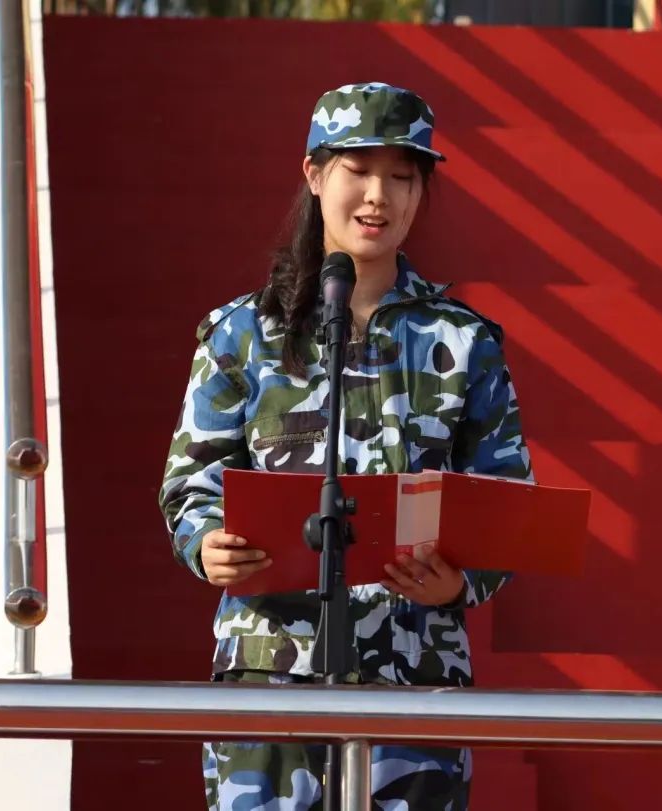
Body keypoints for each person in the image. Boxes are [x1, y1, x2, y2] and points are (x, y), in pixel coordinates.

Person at [159, 81, 533, 811]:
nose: (378, 197)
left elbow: (507, 501)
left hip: (415, 674)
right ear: (314, 174)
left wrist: (460, 582)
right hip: (270, 672)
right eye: (358, 171)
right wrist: (207, 542)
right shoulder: (243, 334)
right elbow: (192, 480)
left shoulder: (464, 341)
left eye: (402, 177)